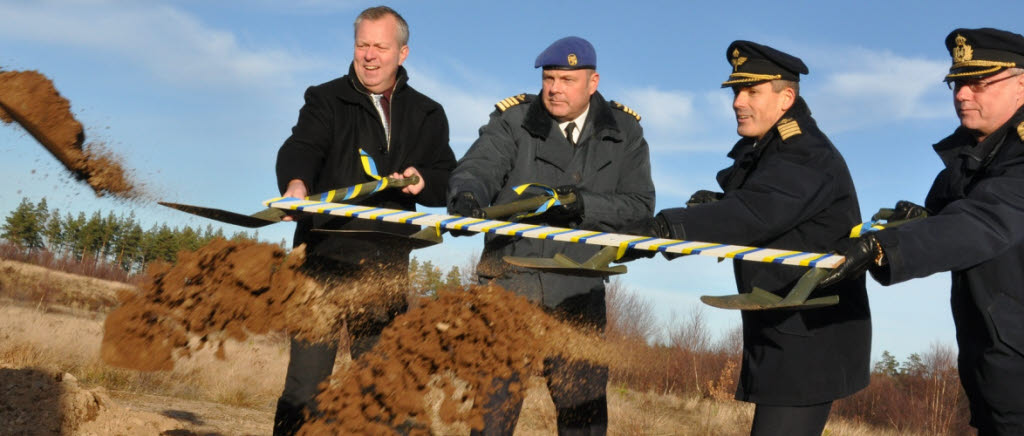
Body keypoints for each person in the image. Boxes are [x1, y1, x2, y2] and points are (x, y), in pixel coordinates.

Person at [622, 41, 870, 436]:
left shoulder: (805, 152)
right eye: (737, 91)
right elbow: (771, 214)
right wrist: (715, 206)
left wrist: (666, 228)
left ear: (786, 98)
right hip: (782, 327)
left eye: (752, 91)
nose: (738, 102)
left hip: (810, 339)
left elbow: (756, 214)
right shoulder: (770, 150)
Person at [447, 36, 655, 435]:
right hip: (508, 283)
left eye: (567, 79)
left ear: (593, 83)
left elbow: (639, 206)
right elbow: (480, 164)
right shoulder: (514, 119)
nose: (554, 88)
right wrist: (468, 194)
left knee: (583, 412)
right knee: (492, 410)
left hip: (577, 287)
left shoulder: (624, 130)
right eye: (549, 78)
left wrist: (584, 205)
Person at [823, 28, 1024, 435]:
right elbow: (952, 217)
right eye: (956, 84)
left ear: (1022, 85)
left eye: (978, 83)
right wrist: (922, 220)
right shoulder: (974, 158)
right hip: (996, 368)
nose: (962, 95)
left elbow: (983, 221)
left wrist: (885, 247)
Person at [272, 6, 456, 435]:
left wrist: (423, 181)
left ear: (402, 53)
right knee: (305, 387)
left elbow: (448, 178)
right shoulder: (325, 98)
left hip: (384, 270)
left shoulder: (428, 113)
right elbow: (302, 146)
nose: (369, 55)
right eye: (362, 45)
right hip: (319, 263)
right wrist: (295, 183)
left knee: (384, 388)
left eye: (380, 46)